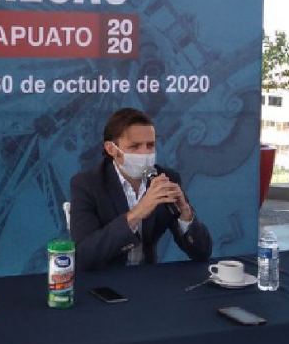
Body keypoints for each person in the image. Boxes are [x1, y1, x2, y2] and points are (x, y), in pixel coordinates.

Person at [70, 108, 212, 270]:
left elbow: (202, 253)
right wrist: (137, 213)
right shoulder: (87, 184)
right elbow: (84, 256)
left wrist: (185, 213)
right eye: (135, 146)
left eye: (150, 145)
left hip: (147, 277)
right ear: (111, 149)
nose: (144, 153)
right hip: (104, 278)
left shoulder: (166, 178)